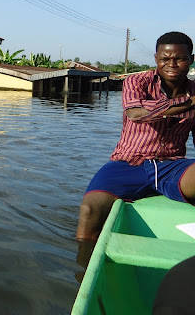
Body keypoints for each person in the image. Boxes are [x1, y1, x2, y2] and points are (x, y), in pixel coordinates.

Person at [76, 31, 195, 241]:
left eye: (180, 59)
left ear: (191, 60)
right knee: (89, 210)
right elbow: (137, 113)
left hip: (172, 165)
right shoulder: (137, 82)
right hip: (129, 163)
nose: (172, 64)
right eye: (165, 59)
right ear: (156, 59)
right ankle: (85, 266)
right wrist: (188, 104)